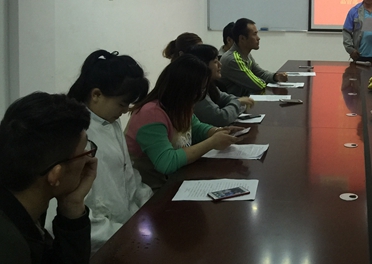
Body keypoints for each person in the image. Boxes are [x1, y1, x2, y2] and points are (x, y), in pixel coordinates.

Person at [66, 50, 153, 254]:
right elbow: (75, 209)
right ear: (96, 95)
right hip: (100, 241)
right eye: (122, 104)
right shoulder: (76, 134)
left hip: (126, 230)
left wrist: (149, 206)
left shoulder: (110, 122)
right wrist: (124, 234)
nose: (125, 111)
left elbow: (128, 175)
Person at [0, 92, 97, 264]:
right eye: (84, 151)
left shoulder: (24, 200)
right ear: (55, 174)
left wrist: (72, 206)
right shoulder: (10, 249)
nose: (89, 159)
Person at [125, 55, 243, 190]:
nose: (201, 94)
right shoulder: (150, 114)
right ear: (184, 89)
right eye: (200, 89)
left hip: (175, 180)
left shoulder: (179, 106)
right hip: (150, 189)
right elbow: (166, 162)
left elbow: (195, 127)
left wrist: (216, 131)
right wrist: (212, 142)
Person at [187, 44, 255, 126]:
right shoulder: (195, 91)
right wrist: (238, 102)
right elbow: (221, 118)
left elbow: (226, 98)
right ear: (203, 65)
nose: (220, 64)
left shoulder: (208, 85)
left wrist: (237, 102)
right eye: (215, 62)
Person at [219, 18, 288, 96]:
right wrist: (266, 80)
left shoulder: (245, 54)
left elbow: (260, 73)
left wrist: (275, 76)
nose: (258, 38)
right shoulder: (233, 59)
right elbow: (258, 85)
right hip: (237, 102)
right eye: (254, 34)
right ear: (242, 38)